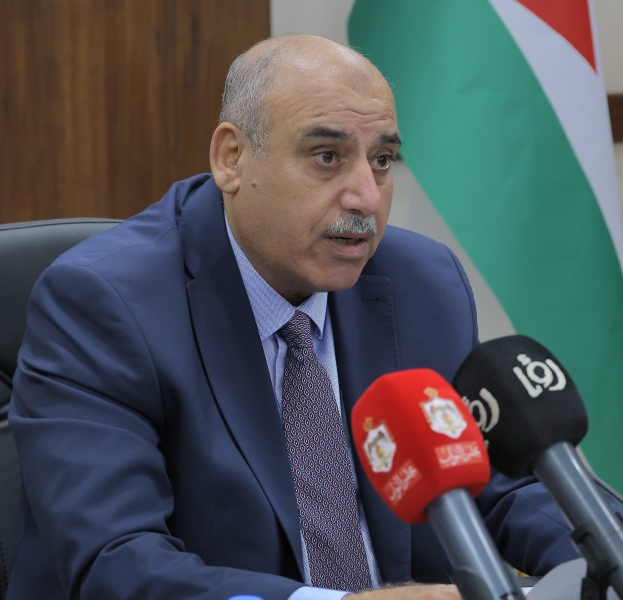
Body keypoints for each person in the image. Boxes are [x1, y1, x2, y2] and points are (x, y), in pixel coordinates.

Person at [7, 35, 580, 600]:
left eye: (382, 160)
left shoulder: (422, 283)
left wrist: (603, 557)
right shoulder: (103, 303)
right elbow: (119, 564)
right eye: (327, 157)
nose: (366, 198)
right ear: (231, 158)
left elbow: (501, 486)